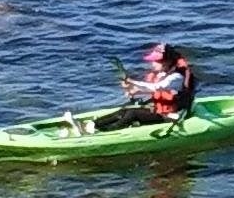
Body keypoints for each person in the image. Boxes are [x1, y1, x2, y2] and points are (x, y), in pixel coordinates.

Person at [68, 43, 197, 135]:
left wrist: (133, 82)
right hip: (158, 109)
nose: (152, 63)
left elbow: (157, 87)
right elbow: (152, 92)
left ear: (167, 62)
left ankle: (103, 133)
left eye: (156, 61)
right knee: (125, 110)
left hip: (169, 116)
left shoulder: (176, 77)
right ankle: (92, 125)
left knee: (133, 114)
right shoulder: (162, 74)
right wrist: (134, 91)